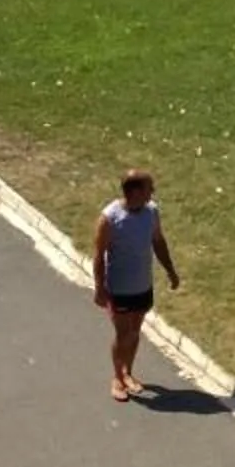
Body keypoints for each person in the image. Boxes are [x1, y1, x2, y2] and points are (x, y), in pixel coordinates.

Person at [90, 167, 180, 401]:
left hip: (143, 286)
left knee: (135, 332)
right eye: (150, 188)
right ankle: (117, 379)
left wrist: (170, 271)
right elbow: (99, 256)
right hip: (119, 288)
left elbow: (158, 242)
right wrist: (99, 288)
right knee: (123, 335)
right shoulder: (110, 218)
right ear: (136, 191)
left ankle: (127, 372)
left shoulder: (152, 212)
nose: (153, 191)